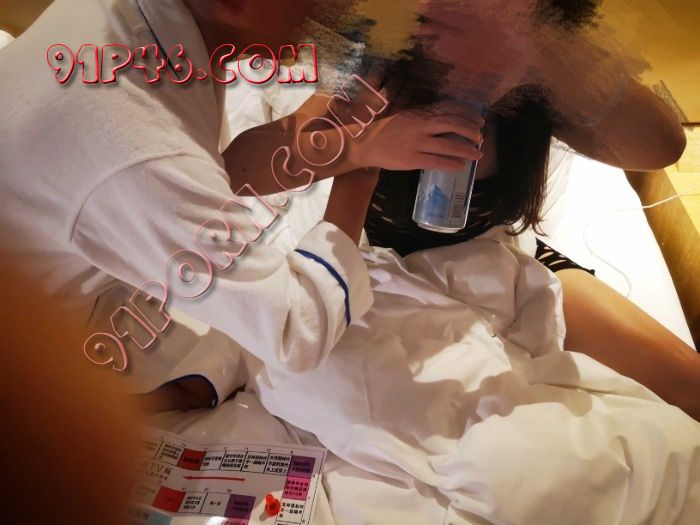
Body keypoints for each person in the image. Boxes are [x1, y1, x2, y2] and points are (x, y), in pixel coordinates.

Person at [0, 0, 483, 410]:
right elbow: (296, 332)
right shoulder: (133, 146)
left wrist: (354, 137)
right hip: (34, 340)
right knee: (217, 355)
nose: (327, 20)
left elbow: (224, 169)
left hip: (55, 247)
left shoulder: (140, 24)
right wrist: (361, 167)